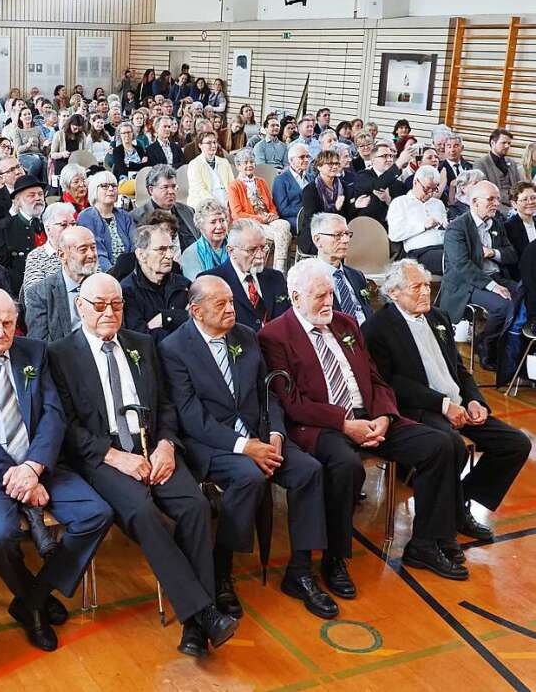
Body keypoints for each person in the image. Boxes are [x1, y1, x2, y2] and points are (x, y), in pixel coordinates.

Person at [49, 274, 237, 656]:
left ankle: (193, 628)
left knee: (195, 506)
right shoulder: (60, 354)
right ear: (80, 306)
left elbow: (165, 404)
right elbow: (66, 426)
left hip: (153, 448)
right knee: (142, 511)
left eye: (116, 304)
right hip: (103, 457)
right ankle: (203, 613)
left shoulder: (142, 343)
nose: (109, 312)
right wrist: (115, 456)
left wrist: (166, 446)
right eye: (99, 305)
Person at [261, 259, 467, 592]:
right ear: (296, 297)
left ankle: (426, 543)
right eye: (319, 296)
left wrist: (384, 416)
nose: (328, 302)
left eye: (330, 294)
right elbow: (292, 403)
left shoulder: (344, 324)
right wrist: (345, 425)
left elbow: (376, 378)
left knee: (441, 445)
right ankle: (334, 558)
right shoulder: (274, 335)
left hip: (371, 417)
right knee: (346, 467)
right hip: (324, 425)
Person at [0, 289, 113, 652]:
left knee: (97, 514)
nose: (0, 331)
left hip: (39, 461)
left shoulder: (35, 352)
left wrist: (32, 467)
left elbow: (53, 414)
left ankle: (32, 600)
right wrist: (15, 476)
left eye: (7, 323)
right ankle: (35, 606)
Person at [160, 277, 334, 619]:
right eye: (221, 304)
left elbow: (268, 392)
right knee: (249, 477)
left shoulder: (245, 336)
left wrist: (276, 436)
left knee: (309, 471)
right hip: (212, 443)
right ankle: (222, 570)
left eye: (231, 301)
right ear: (195, 311)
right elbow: (191, 417)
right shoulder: (173, 349)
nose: (231, 309)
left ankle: (300, 571)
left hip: (260, 435)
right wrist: (245, 447)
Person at [363, 260, 530, 545]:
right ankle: (443, 524)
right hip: (420, 409)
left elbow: (459, 368)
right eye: (416, 287)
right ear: (393, 292)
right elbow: (393, 385)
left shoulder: (438, 318)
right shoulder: (377, 329)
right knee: (451, 445)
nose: (426, 292)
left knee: (516, 443)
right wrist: (443, 405)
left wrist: (476, 400)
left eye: (427, 285)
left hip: (458, 403)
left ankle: (460, 502)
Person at [438, 181, 519, 371]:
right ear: (475, 202)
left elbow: (511, 254)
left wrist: (492, 252)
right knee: (503, 305)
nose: (496, 204)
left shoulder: (496, 222)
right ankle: (486, 345)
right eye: (491, 199)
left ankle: (502, 346)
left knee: (525, 295)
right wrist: (493, 286)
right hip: (466, 284)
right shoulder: (457, 228)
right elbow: (462, 266)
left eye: (498, 199)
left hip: (495, 276)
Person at [204, 219, 290, 331]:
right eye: (252, 250)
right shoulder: (212, 281)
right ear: (231, 251)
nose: (260, 255)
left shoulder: (276, 278)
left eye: (263, 248)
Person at [25, 226, 99, 343]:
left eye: (93, 248)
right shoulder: (40, 293)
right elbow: (39, 345)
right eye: (83, 250)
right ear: (62, 255)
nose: (91, 254)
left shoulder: (104, 286)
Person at [121, 224, 190, 343]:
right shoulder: (127, 291)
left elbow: (201, 322)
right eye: (161, 250)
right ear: (141, 255)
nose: (170, 256)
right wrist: (182, 318)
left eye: (171, 248)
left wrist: (166, 318)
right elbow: (141, 339)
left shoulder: (183, 285)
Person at [228, 148, 291, 271]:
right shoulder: (234, 185)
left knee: (285, 224)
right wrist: (260, 218)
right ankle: (279, 269)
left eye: (251, 162)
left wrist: (273, 214)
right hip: (249, 223)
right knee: (285, 234)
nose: (249, 165)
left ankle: (278, 268)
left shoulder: (261, 182)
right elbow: (237, 215)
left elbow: (271, 205)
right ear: (238, 166)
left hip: (267, 220)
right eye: (245, 163)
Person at [311, 213, 373, 325]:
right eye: (337, 235)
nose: (345, 240)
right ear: (317, 240)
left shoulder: (357, 276)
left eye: (347, 234)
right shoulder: (309, 278)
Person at [0, 178, 48, 295]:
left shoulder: (51, 222)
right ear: (17, 201)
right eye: (31, 195)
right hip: (21, 291)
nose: (38, 198)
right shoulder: (2, 228)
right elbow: (3, 268)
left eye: (40, 194)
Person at [387, 165, 448, 274]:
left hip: (444, 246)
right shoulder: (400, 202)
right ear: (415, 182)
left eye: (434, 189)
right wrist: (423, 226)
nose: (430, 194)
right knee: (452, 259)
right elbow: (394, 234)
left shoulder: (438, 203)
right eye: (427, 189)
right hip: (419, 252)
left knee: (466, 254)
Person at [131, 165, 198, 253]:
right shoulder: (136, 218)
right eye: (165, 187)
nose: (171, 192)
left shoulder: (188, 212)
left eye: (173, 187)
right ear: (151, 190)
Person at [77, 171, 134, 272]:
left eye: (114, 186)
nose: (111, 189)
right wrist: (113, 275)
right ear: (95, 190)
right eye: (105, 186)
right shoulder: (86, 217)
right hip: (101, 274)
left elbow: (135, 244)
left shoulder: (125, 216)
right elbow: (97, 253)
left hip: (129, 273)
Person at [299, 151, 352, 256]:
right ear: (319, 167)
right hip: (315, 235)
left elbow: (348, 215)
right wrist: (334, 208)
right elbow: (313, 219)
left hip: (340, 233)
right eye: (330, 164)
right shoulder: (310, 190)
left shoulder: (344, 187)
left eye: (336, 164)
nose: (334, 167)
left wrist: (356, 206)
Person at [21, 202, 77, 298]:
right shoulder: (37, 257)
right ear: (48, 229)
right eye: (63, 225)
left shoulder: (83, 250)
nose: (71, 229)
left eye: (73, 224)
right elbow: (33, 298)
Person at [180, 198, 228, 279]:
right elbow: (198, 285)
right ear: (201, 226)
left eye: (222, 220)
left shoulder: (236, 246)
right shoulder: (190, 254)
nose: (219, 226)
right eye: (213, 222)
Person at [474, 128, 525, 201]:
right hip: (494, 203)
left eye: (509, 143)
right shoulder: (481, 163)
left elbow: (519, 186)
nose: (507, 146)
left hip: (515, 203)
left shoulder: (512, 163)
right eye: (503, 143)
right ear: (492, 143)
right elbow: (484, 191)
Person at [188, 133, 235, 210]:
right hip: (204, 203)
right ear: (200, 145)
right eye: (209, 143)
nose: (213, 146)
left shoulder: (224, 162)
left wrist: (231, 201)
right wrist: (216, 205)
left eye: (214, 142)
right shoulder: (194, 164)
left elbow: (232, 184)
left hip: (226, 201)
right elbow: (200, 190)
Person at [272, 143, 311, 232]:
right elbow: (283, 210)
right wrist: (306, 210)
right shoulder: (281, 180)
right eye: (302, 157)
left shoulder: (311, 177)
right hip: (293, 218)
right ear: (291, 160)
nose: (306, 160)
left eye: (307, 156)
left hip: (312, 215)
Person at [504, 181, 536, 269]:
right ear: (514, 204)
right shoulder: (508, 227)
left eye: (533, 198)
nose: (531, 202)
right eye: (525, 199)